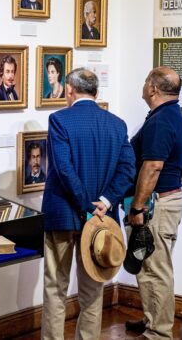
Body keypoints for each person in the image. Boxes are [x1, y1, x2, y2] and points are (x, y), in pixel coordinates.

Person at [41, 68, 135, 340]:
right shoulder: (117, 125)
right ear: (97, 93)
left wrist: (86, 205)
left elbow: (64, 169)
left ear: (69, 90)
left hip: (63, 214)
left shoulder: (59, 120)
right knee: (93, 290)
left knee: (55, 288)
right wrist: (104, 202)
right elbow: (128, 169)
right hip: (102, 222)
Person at [124, 66, 182, 340]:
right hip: (165, 202)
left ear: (153, 88)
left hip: (155, 205)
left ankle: (159, 333)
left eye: (145, 81)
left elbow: (152, 167)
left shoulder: (161, 121)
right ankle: (155, 319)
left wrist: (138, 207)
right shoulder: (169, 114)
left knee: (154, 269)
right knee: (154, 266)